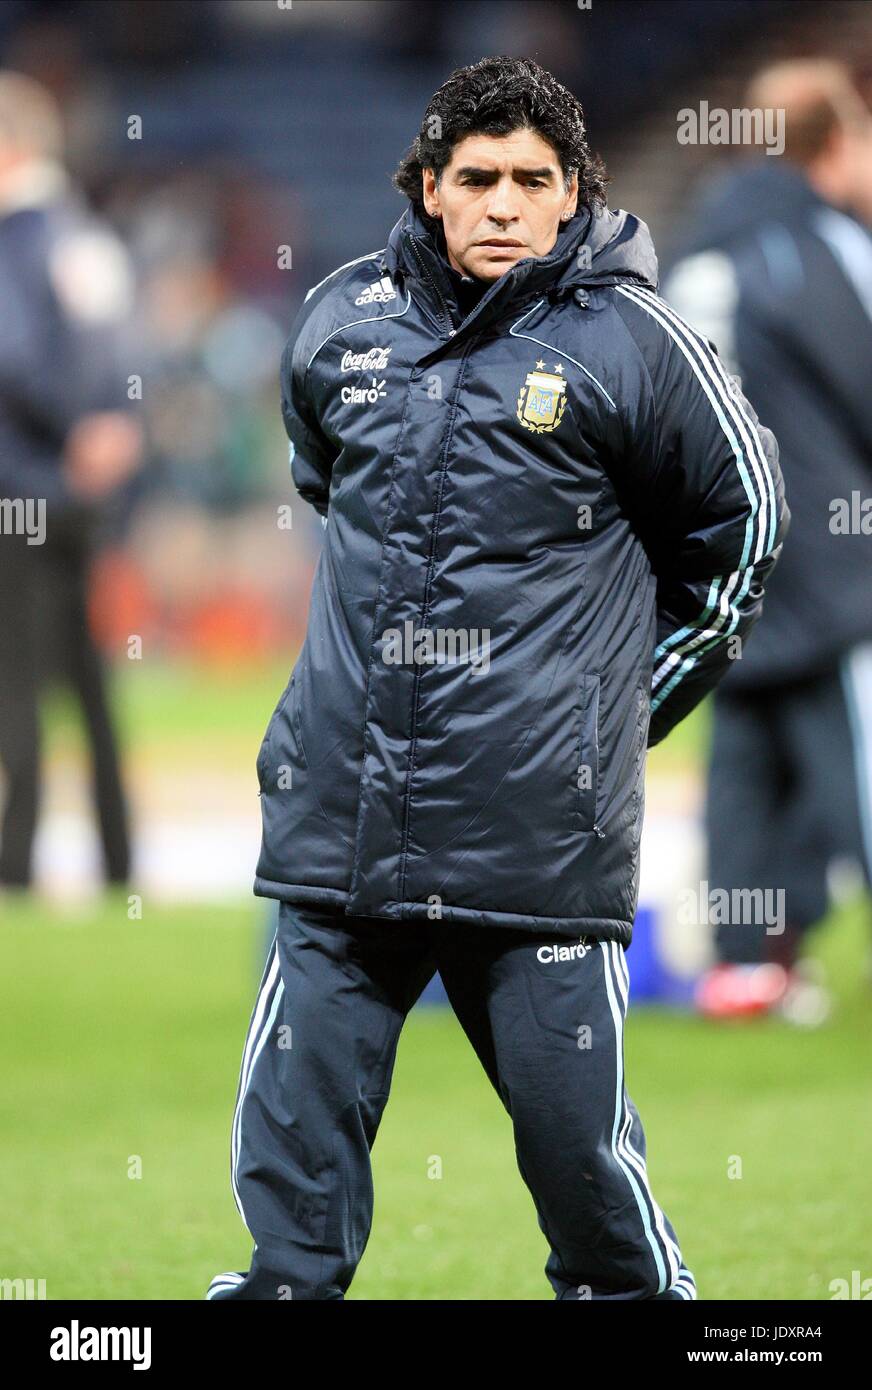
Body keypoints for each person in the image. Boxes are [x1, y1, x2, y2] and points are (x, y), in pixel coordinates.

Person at [208, 56, 786, 1302]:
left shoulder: (640, 344)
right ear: (426, 189)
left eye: (534, 180)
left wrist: (620, 713)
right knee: (291, 1190)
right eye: (476, 180)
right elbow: (328, 484)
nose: (505, 205)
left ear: (574, 194)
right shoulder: (339, 321)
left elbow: (743, 531)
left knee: (583, 1175)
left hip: (535, 837)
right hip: (340, 832)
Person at [663, 60, 872, 1023]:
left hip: (725, 552)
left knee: (745, 753)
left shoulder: (702, 243)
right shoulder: (819, 243)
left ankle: (746, 964)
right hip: (833, 556)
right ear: (831, 144)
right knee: (851, 754)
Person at [0, 71, 142, 893]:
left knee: (15, 680)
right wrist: (107, 427)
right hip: (83, 498)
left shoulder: (15, 240)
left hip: (20, 486)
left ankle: (14, 870)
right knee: (90, 683)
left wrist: (68, 428)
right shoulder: (86, 233)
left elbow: (13, 356)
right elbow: (123, 351)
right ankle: (119, 860)